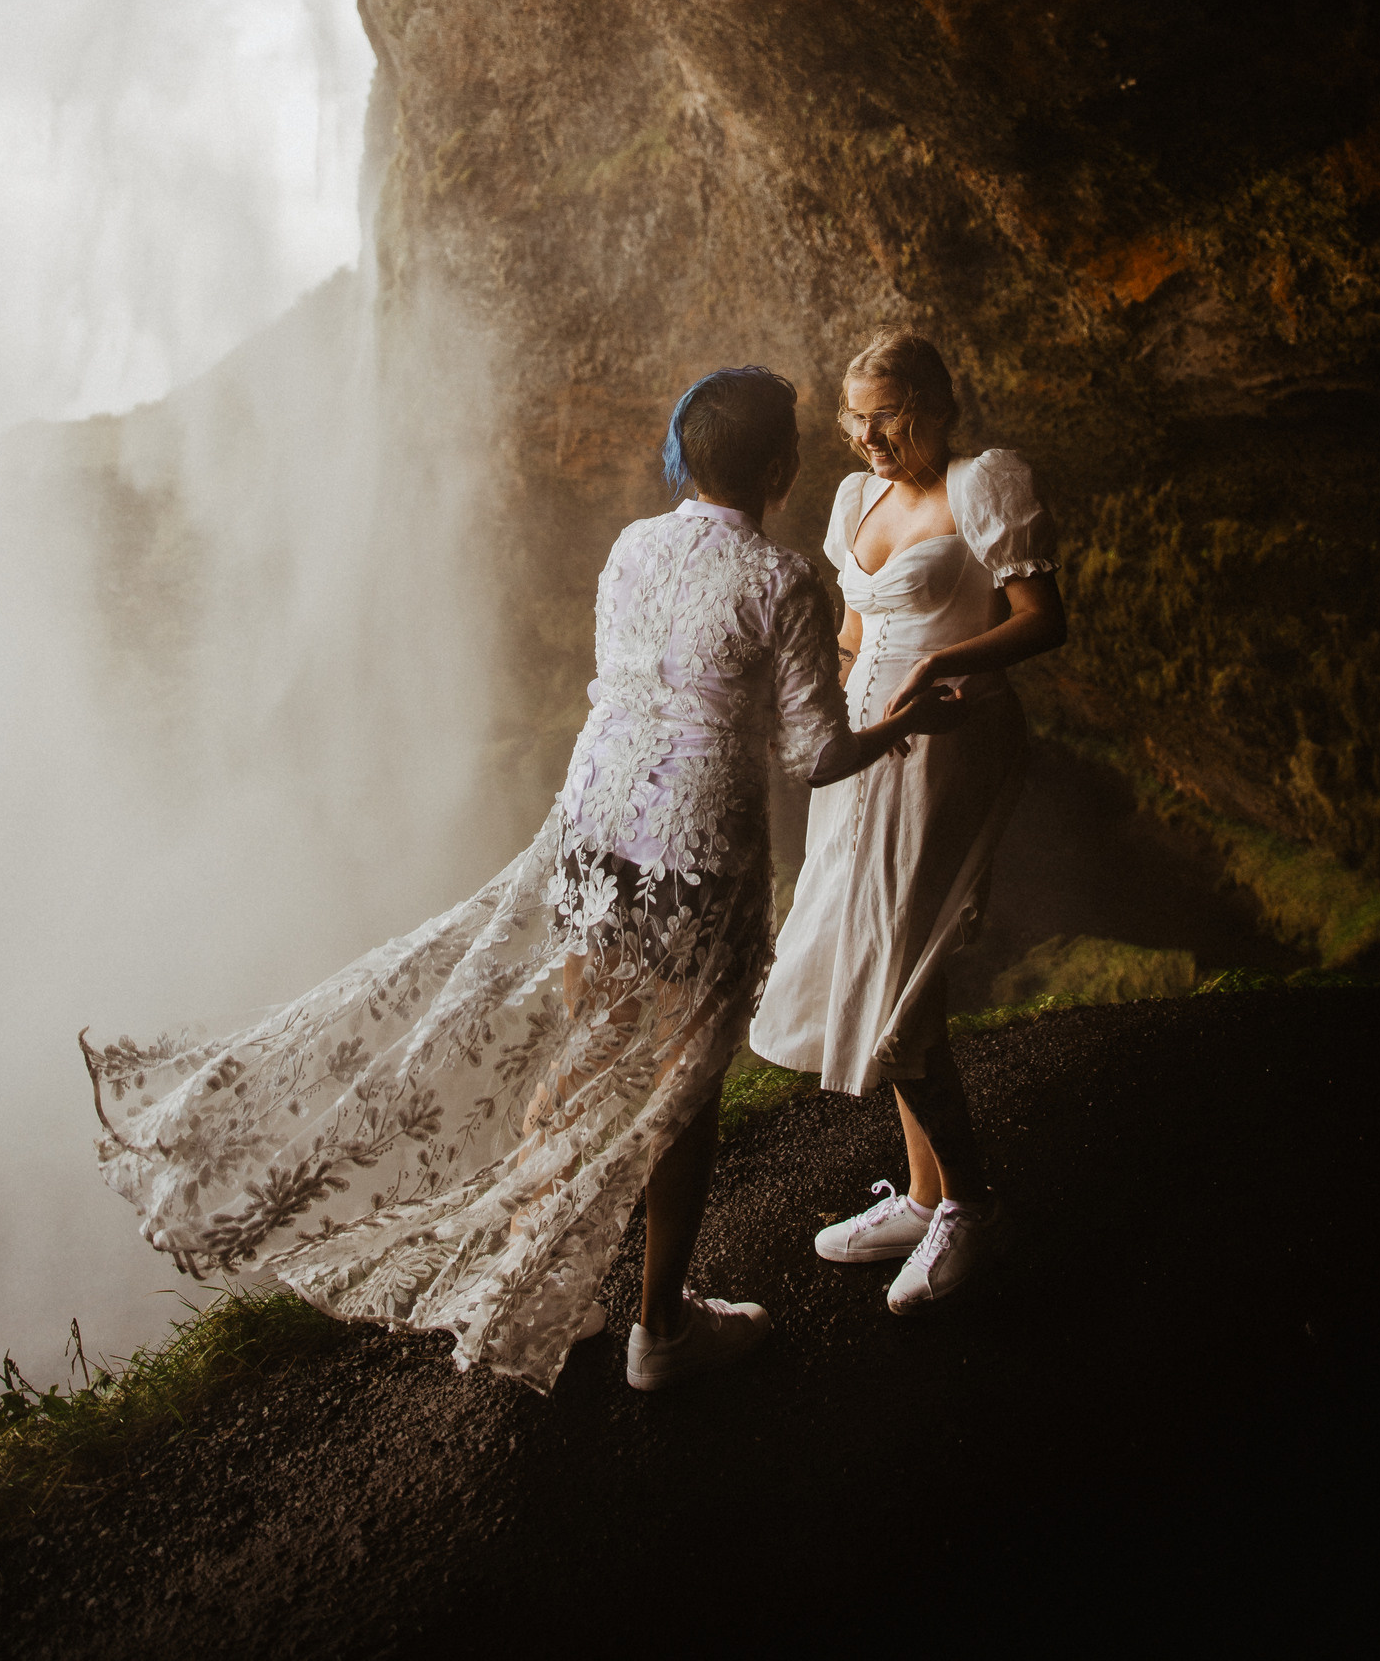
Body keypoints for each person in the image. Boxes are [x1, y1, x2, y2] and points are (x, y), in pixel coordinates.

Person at [83, 365, 963, 1394]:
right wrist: (905, 719)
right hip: (693, 861)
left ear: (690, 459)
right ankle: (661, 1332)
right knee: (683, 1090)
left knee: (585, 1049)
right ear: (780, 466)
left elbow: (632, 684)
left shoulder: (632, 545)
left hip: (591, 834)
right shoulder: (781, 579)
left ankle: (540, 1286)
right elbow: (814, 753)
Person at [751, 331, 1065, 1312]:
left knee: (898, 970)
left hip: (948, 744)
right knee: (868, 949)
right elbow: (853, 635)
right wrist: (825, 723)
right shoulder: (856, 499)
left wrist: (942, 662)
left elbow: (1043, 616)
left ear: (936, 404)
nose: (868, 437)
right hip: (864, 747)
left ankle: (970, 1204)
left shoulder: (983, 484)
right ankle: (927, 1197)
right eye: (854, 418)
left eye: (887, 415)